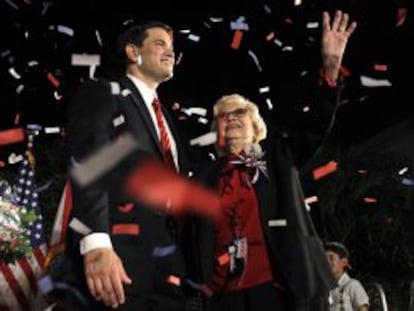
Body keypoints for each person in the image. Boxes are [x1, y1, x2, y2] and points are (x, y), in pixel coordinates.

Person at [186, 10, 357, 311]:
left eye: (241, 114)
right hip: (224, 296)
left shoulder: (277, 158)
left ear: (256, 129)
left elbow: (314, 125)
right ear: (217, 133)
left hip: (277, 291)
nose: (232, 119)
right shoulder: (203, 176)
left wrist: (330, 68)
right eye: (224, 118)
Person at [65, 20, 191, 310]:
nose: (170, 52)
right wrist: (96, 242)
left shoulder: (166, 118)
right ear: (133, 53)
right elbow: (90, 164)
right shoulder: (104, 92)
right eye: (159, 44)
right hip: (119, 255)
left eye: (172, 47)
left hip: (168, 261)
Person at [324, 242, 370, 311]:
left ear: (343, 262)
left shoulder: (352, 285)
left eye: (331, 258)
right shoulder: (324, 289)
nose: (327, 262)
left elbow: (363, 309)